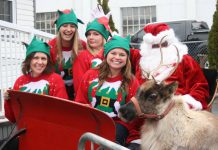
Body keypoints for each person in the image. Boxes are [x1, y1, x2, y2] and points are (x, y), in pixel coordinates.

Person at [126, 23, 209, 149]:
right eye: (154, 46)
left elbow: (200, 87)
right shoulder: (141, 61)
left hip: (176, 119)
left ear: (170, 42)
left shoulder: (184, 60)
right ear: (147, 46)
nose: (159, 49)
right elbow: (118, 50)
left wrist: (184, 104)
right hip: (143, 120)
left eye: (163, 44)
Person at [75, 35, 139, 146]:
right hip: (92, 121)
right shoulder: (90, 75)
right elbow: (81, 102)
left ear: (127, 58)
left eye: (122, 54)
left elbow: (132, 115)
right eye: (113, 53)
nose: (117, 57)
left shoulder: (131, 82)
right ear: (106, 55)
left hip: (118, 125)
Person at [4, 36, 68, 123]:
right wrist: (7, 100)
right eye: (36, 58)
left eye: (43, 58)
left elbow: (63, 112)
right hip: (25, 132)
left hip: (49, 131)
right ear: (29, 60)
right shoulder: (20, 81)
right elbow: (13, 118)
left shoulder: (55, 80)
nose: (40, 62)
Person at [48, 9, 86, 100]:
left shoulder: (83, 46)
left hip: (78, 90)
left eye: (72, 26)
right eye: (64, 26)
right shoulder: (51, 46)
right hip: (58, 91)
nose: (68, 29)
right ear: (59, 28)